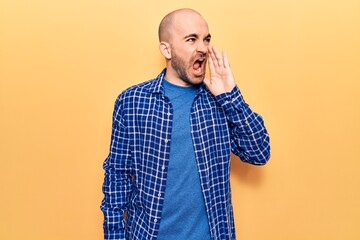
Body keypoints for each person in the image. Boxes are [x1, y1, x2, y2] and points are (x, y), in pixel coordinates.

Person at [101, 8, 270, 240]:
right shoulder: (132, 102)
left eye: (206, 39)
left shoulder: (220, 101)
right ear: (166, 49)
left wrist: (230, 95)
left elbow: (259, 152)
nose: (203, 48)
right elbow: (117, 176)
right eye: (192, 39)